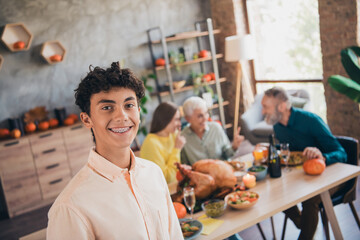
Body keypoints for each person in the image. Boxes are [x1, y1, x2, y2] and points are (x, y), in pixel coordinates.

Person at [47, 62, 183, 239]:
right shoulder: (70, 207)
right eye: (107, 107)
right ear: (87, 119)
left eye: (129, 105)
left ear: (139, 112)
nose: (122, 116)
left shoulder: (154, 174)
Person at [261, 86, 347, 240]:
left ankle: (306, 228)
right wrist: (272, 148)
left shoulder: (311, 120)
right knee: (275, 192)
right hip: (305, 176)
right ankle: (304, 222)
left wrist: (323, 156)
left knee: (309, 199)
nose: (262, 112)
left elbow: (342, 153)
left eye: (265, 107)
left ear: (281, 106)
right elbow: (291, 149)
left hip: (331, 177)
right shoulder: (278, 126)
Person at [180, 96, 245, 165]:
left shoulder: (216, 128)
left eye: (206, 113)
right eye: (200, 116)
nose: (205, 118)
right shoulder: (183, 138)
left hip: (222, 170)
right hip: (200, 175)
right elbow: (185, 166)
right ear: (188, 119)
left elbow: (227, 155)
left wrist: (234, 147)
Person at [140, 102, 186, 184]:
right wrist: (177, 149)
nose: (179, 124)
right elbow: (166, 179)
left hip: (178, 186)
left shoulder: (173, 135)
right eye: (176, 119)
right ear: (165, 119)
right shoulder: (151, 143)